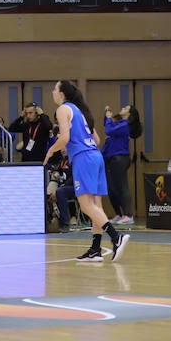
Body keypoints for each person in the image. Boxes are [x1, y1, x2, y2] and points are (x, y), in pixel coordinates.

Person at [47, 80, 127, 263]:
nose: (52, 92)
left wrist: (52, 149)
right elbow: (97, 139)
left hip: (84, 158)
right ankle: (95, 249)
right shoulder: (81, 112)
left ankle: (116, 237)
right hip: (95, 156)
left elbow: (65, 137)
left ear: (62, 94)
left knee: (86, 206)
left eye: (54, 89)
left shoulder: (63, 110)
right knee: (95, 207)